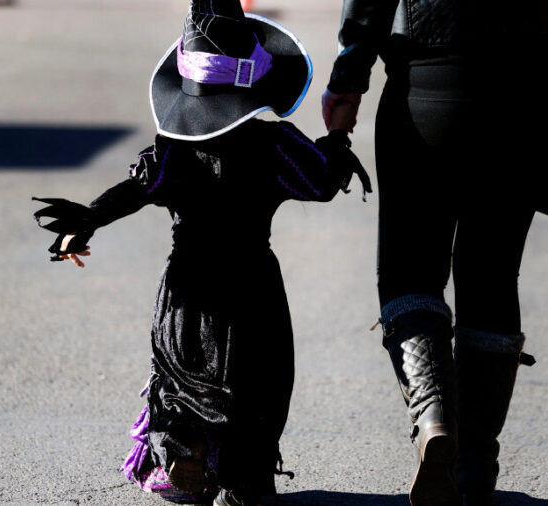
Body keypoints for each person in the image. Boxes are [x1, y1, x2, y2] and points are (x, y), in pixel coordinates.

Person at [33, 2, 369, 505]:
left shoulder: (174, 148)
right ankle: (246, 480)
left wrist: (88, 219)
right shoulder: (272, 144)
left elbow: (137, 188)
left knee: (183, 379)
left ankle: (186, 454)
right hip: (251, 291)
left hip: (186, 293)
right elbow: (323, 180)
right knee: (256, 387)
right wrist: (339, 135)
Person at [322, 2, 548, 506]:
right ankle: (476, 461)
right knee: (493, 272)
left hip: (426, 77)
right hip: (526, 87)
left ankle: (434, 416)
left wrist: (349, 75)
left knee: (410, 270)